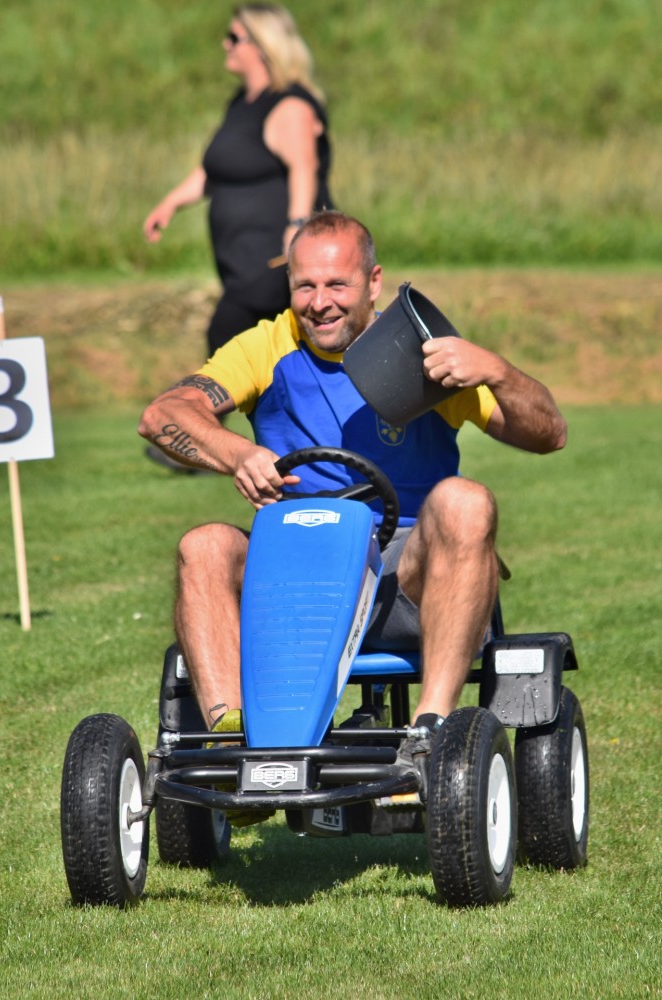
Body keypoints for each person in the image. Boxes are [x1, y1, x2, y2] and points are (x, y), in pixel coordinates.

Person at [138, 211, 568, 778]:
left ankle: (430, 732)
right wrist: (237, 454)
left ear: (373, 283)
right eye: (305, 286)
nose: (320, 303)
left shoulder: (422, 353)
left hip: (404, 573)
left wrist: (499, 373)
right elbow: (162, 415)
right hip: (294, 576)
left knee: (465, 501)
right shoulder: (267, 346)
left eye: (337, 284)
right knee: (204, 544)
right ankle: (232, 746)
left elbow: (548, 434)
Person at [143, 4, 333, 356]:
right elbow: (216, 169)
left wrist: (296, 228)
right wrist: (171, 203)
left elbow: (304, 168)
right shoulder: (241, 104)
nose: (225, 44)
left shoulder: (290, 104)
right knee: (253, 352)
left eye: (233, 37)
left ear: (262, 45)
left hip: (274, 259)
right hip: (243, 263)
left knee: (226, 338)